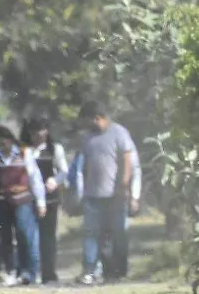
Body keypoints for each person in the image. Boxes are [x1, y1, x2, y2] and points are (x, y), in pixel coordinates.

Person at [75, 101, 139, 284]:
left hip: (115, 195)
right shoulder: (87, 138)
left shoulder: (119, 132)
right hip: (93, 195)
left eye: (88, 121)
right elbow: (84, 164)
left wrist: (124, 184)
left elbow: (127, 159)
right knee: (92, 233)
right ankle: (90, 271)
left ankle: (118, 272)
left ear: (97, 118)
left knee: (118, 234)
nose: (87, 125)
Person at [0, 126, 46, 285]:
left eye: (3, 143)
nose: (1, 147)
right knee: (5, 238)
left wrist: (40, 202)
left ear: (10, 141)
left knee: (25, 235)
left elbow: (35, 179)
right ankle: (11, 270)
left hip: (22, 201)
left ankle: (29, 272)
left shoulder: (25, 154)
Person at [22, 117, 69, 283]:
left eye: (41, 130)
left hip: (50, 199)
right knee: (28, 236)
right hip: (28, 198)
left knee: (47, 236)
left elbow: (64, 171)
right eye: (34, 131)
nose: (38, 134)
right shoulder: (25, 150)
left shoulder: (54, 149)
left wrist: (55, 180)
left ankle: (49, 273)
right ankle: (30, 272)